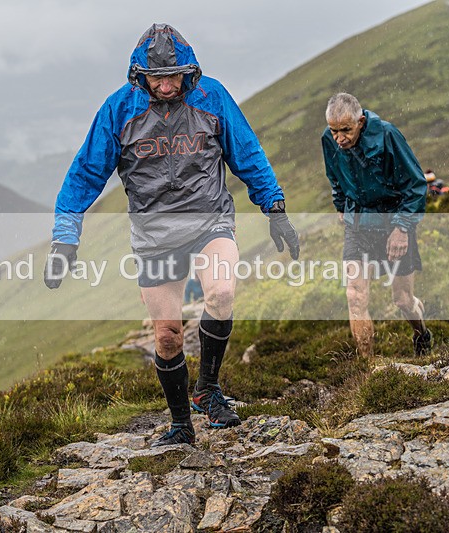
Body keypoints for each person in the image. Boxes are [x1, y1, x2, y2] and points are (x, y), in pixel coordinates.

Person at [44, 24, 299, 447]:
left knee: (220, 293)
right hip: (155, 237)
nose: (166, 85)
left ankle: (208, 389)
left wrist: (274, 208)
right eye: (156, 78)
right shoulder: (119, 110)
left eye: (174, 76)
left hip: (209, 221)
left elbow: (247, 153)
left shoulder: (211, 97)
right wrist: (64, 239)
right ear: (139, 75)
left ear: (189, 71)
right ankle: (181, 424)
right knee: (167, 335)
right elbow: (84, 174)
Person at [321, 93, 431, 358]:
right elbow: (334, 176)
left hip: (393, 221)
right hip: (358, 224)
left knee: (403, 300)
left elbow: (416, 185)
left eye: (346, 130)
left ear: (360, 121)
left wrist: (401, 228)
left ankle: (421, 333)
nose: (339, 138)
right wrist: (340, 204)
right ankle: (367, 369)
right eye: (335, 131)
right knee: (355, 296)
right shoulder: (329, 139)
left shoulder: (387, 135)